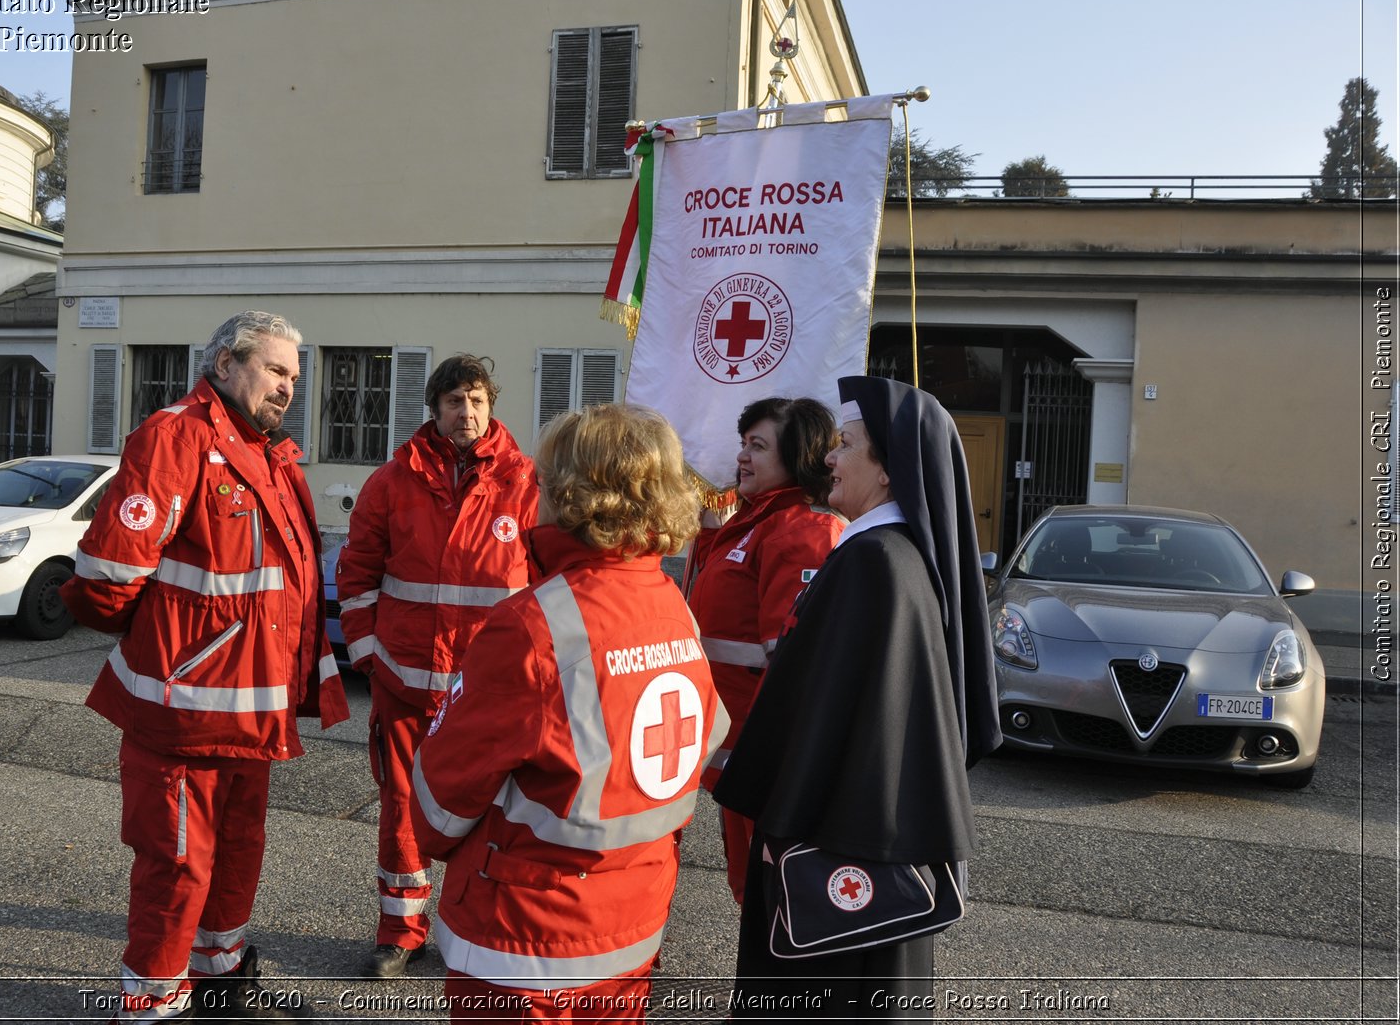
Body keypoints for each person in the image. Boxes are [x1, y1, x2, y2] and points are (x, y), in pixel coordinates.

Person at [62, 310, 350, 1021]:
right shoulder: (178, 437)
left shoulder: (271, 454)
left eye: (294, 374)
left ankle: (221, 986)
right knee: (177, 870)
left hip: (251, 713)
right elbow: (104, 581)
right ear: (225, 364)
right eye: (275, 369)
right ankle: (152, 1008)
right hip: (184, 711)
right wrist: (175, 645)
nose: (288, 386)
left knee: (237, 856)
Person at [410, 403, 727, 1021]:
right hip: (633, 923)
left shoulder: (534, 625)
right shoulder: (673, 604)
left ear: (568, 494)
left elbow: (441, 804)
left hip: (527, 941)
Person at [713, 376, 1002, 1019]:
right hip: (861, 835)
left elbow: (833, 722)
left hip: (838, 843)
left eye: (845, 445)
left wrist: (781, 821)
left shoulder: (874, 562)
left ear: (890, 471)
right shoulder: (888, 555)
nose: (828, 459)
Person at [336, 353, 539, 979]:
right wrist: (367, 650)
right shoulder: (392, 481)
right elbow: (358, 572)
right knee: (401, 808)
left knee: (494, 813)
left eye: (477, 400)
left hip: (487, 693)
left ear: (492, 405)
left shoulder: (527, 483)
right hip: (403, 683)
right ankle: (401, 932)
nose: (467, 412)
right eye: (455, 401)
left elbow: (551, 581)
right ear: (435, 409)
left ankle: (475, 931)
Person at [684, 397, 842, 904]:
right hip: (739, 753)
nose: (742, 457)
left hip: (762, 756)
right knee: (751, 885)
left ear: (796, 456)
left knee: (773, 891)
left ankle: (781, 985)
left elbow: (792, 668)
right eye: (742, 444)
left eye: (758, 446)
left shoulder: (802, 532)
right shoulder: (756, 521)